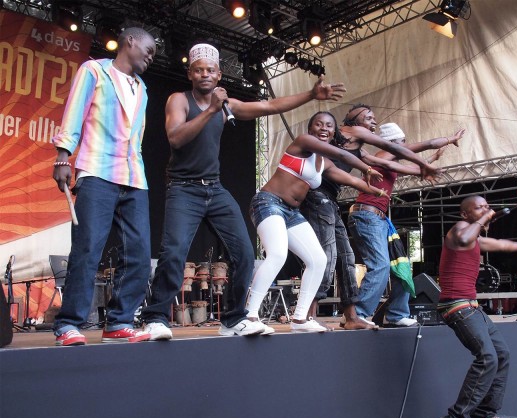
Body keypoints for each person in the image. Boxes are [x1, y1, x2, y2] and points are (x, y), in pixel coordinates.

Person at [140, 43, 347, 340]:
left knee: (245, 253)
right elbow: (175, 138)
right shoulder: (180, 100)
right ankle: (156, 318)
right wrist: (212, 108)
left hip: (214, 188)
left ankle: (234, 318)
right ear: (190, 74)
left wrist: (311, 95)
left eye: (210, 70)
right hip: (183, 188)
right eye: (198, 70)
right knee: (174, 252)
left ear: (219, 74)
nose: (204, 75)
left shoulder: (228, 106)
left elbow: (270, 106)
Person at [51, 28, 157, 346]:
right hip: (97, 172)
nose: (151, 56)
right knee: (87, 250)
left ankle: (119, 322)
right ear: (130, 42)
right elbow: (74, 113)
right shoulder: (95, 70)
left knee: (139, 254)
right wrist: (63, 157)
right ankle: (68, 324)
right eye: (149, 49)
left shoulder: (142, 88)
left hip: (134, 178)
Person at [301, 104, 442, 330]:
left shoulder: (361, 151)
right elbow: (395, 151)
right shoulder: (363, 137)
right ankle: (311, 316)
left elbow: (377, 164)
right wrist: (431, 152)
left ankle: (377, 314)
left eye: (329, 125)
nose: (373, 121)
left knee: (377, 264)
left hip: (368, 214)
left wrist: (427, 165)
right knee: (345, 261)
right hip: (354, 211)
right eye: (368, 117)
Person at [246, 111, 387, 333]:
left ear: (334, 131)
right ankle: (250, 316)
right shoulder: (303, 142)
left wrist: (377, 192)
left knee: (318, 259)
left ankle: (300, 319)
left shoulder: (324, 163)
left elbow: (349, 179)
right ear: (311, 129)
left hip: (291, 212)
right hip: (268, 202)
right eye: (318, 124)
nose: (324, 128)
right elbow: (345, 157)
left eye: (329, 126)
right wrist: (366, 168)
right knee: (278, 254)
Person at [437, 195, 517, 418]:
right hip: (456, 306)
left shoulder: (477, 239)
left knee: (501, 354)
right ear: (465, 214)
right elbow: (464, 237)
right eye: (479, 207)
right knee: (487, 357)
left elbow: (502, 245)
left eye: (487, 206)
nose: (486, 209)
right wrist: (485, 218)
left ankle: (484, 415)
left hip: (472, 307)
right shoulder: (459, 230)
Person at [348, 123, 465, 327]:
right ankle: (357, 314)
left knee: (401, 266)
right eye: (402, 142)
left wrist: (430, 161)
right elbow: (425, 144)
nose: (404, 145)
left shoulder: (386, 160)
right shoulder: (385, 155)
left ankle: (396, 314)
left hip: (379, 218)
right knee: (381, 265)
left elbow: (406, 169)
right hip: (367, 216)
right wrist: (449, 139)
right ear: (392, 142)